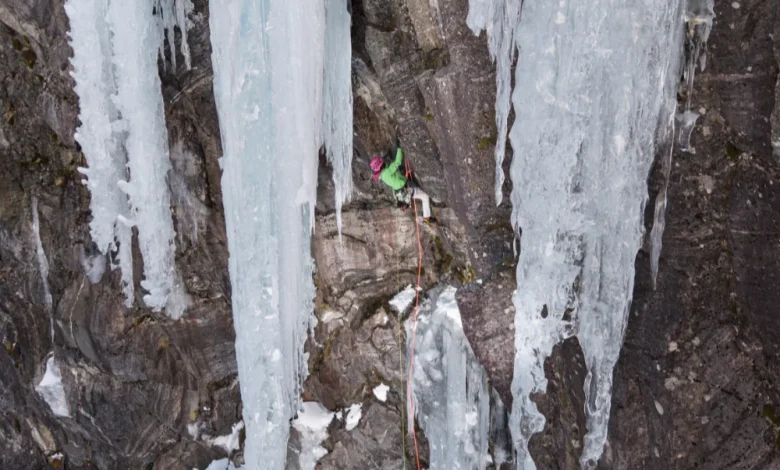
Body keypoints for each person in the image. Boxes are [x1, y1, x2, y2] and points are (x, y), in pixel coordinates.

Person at [370, 145, 436, 224]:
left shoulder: (382, 176)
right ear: (381, 165)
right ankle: (426, 218)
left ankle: (426, 217)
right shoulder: (387, 172)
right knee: (425, 196)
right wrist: (399, 148)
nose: (384, 161)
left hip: (402, 192)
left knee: (423, 196)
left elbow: (394, 174)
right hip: (406, 189)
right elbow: (397, 162)